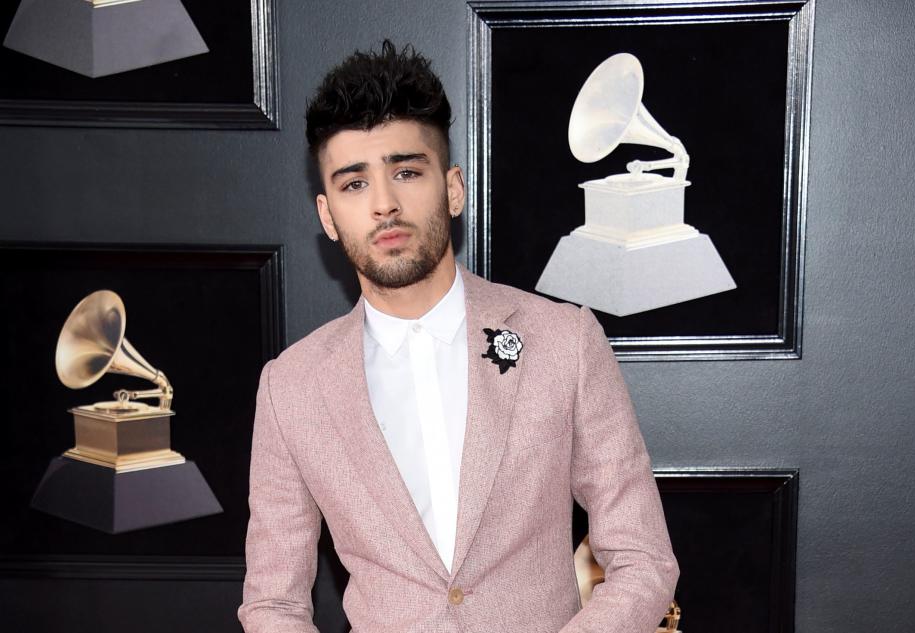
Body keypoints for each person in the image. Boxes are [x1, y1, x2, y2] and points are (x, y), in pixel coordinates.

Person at [238, 40, 678, 633]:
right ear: (326, 215)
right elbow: (273, 604)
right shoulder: (290, 387)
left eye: (406, 172)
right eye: (354, 184)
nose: (384, 205)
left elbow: (643, 559)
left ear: (452, 188)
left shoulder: (565, 341)